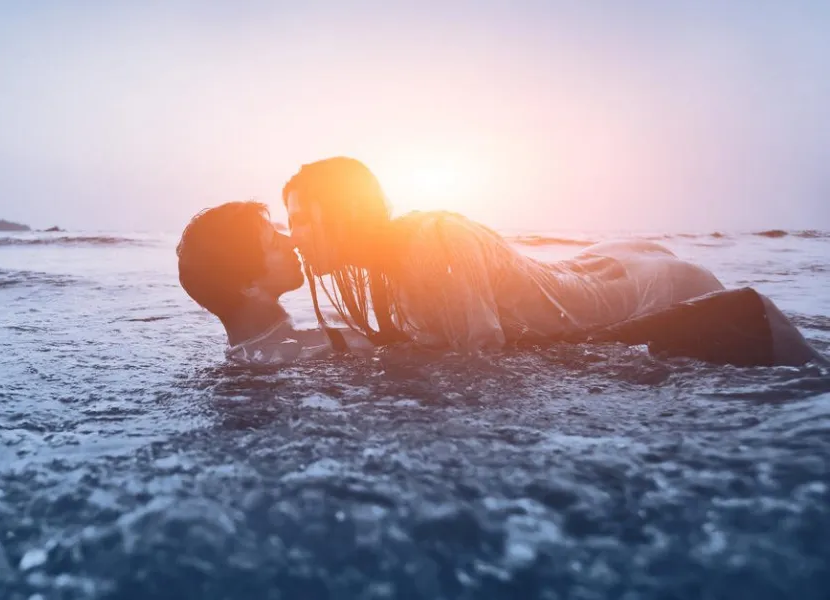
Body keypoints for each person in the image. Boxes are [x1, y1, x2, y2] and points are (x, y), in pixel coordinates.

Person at [280, 156, 827, 367]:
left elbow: (482, 366)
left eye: (302, 218)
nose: (294, 235)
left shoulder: (431, 242)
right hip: (602, 272)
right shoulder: (389, 267)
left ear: (342, 213)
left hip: (659, 288)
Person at [176, 201, 370, 364]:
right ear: (249, 286)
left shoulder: (245, 354)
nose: (291, 242)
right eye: (275, 243)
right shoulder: (324, 344)